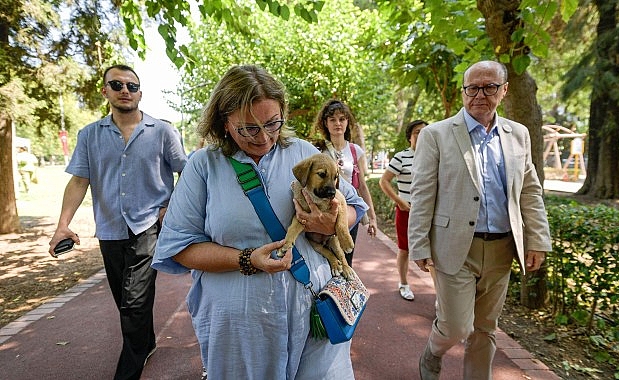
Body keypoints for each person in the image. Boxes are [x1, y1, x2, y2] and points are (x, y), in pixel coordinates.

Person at [152, 65, 367, 380]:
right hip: (239, 327)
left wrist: (331, 221)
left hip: (314, 314)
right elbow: (179, 247)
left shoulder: (303, 153)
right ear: (224, 123)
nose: (264, 137)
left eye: (272, 123)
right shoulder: (203, 166)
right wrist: (246, 259)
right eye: (249, 128)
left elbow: (353, 205)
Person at [409, 60, 551, 380]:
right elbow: (423, 193)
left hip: (502, 247)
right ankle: (434, 349)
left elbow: (529, 191)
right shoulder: (436, 134)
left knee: (486, 328)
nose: (479, 95)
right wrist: (418, 243)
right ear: (463, 91)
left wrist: (538, 240)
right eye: (472, 88)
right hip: (455, 246)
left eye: (489, 87)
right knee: (457, 325)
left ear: (504, 90)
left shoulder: (519, 134)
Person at [48, 64, 188, 380]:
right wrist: (62, 224)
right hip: (109, 228)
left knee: (135, 302)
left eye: (132, 86)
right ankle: (146, 341)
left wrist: (172, 205)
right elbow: (78, 181)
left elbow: (187, 171)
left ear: (140, 92)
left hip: (148, 226)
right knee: (124, 300)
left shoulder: (163, 132)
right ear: (106, 91)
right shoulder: (89, 135)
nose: (125, 90)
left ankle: (128, 370)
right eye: (117, 84)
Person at [314, 99, 377, 266]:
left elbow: (362, 186)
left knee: (346, 259)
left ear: (347, 122)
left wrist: (372, 218)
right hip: (324, 208)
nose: (337, 123)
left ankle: (344, 292)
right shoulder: (318, 149)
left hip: (348, 210)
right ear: (325, 123)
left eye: (342, 119)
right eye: (332, 119)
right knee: (323, 259)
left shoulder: (355, 150)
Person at [378, 119, 427, 301]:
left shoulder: (435, 155)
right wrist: (399, 201)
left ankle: (441, 295)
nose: (421, 135)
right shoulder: (401, 157)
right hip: (406, 210)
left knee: (432, 251)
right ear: (409, 137)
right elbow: (384, 181)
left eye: (424, 132)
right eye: (417, 132)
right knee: (405, 249)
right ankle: (404, 284)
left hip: (428, 212)